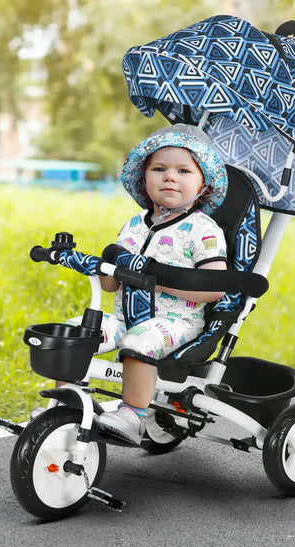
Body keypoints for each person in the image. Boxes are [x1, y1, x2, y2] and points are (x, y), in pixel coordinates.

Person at [95, 124, 229, 444]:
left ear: (203, 187)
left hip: (177, 322)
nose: (170, 177)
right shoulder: (133, 226)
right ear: (145, 179)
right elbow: (110, 287)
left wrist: (157, 283)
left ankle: (132, 414)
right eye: (159, 169)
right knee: (78, 330)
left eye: (183, 170)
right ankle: (64, 404)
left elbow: (216, 287)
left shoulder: (203, 230)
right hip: (124, 317)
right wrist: (110, 265)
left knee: (140, 340)